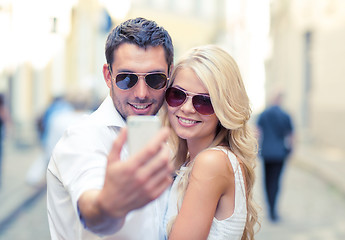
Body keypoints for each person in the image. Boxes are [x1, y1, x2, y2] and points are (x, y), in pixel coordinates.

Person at [47, 17, 174, 239]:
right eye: (126, 79)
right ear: (108, 76)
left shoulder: (174, 136)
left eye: (155, 79)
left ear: (169, 75)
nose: (142, 93)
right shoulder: (83, 137)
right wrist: (110, 205)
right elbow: (93, 211)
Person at [161, 45, 259, 240]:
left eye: (204, 101)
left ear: (225, 108)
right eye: (177, 95)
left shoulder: (211, 162)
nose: (187, 108)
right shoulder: (194, 160)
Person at [256, 90, 294, 222]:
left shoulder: (264, 114)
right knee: (276, 181)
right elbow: (291, 135)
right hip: (279, 153)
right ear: (281, 99)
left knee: (267, 180)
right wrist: (290, 150)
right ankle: (273, 209)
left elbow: (257, 132)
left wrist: (256, 148)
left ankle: (270, 206)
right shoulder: (285, 115)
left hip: (267, 152)